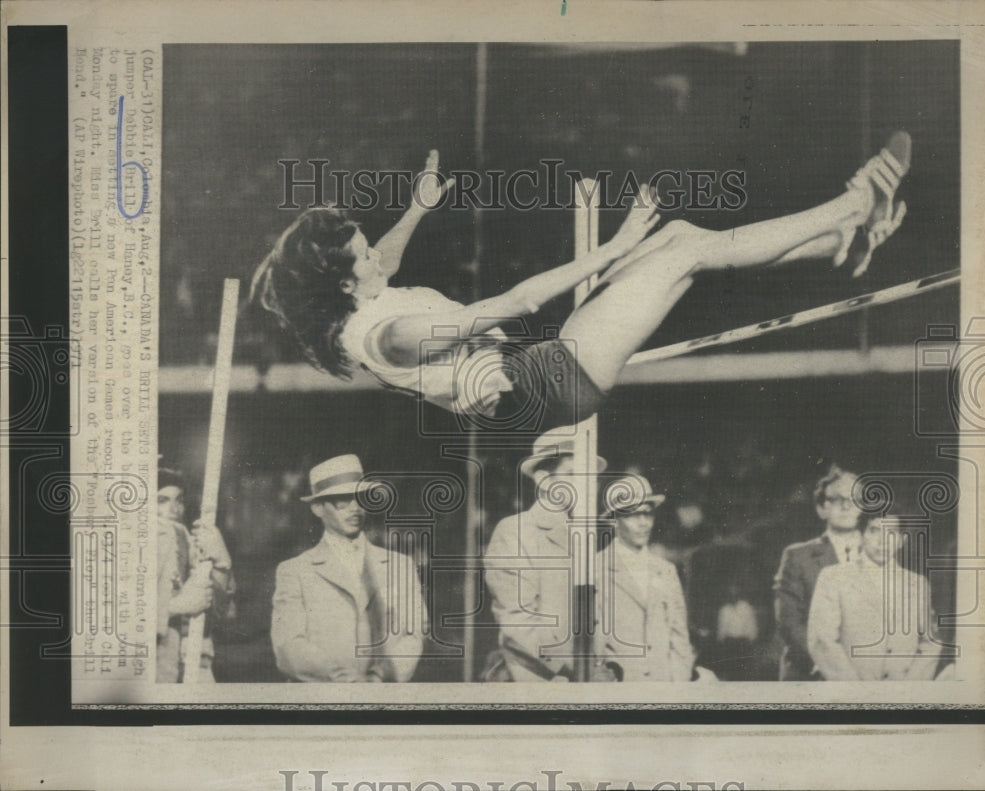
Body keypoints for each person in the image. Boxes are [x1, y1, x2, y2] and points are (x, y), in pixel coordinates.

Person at [254, 136, 912, 433]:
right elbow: (515, 302)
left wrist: (420, 207)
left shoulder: (360, 308)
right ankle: (852, 206)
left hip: (537, 372)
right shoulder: (394, 334)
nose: (376, 250)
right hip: (545, 384)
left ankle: (839, 243)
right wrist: (614, 247)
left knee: (682, 237)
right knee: (681, 253)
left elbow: (385, 265)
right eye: (362, 251)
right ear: (344, 281)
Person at [270, 454, 425, 682]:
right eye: (342, 500)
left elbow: (414, 634)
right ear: (318, 508)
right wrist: (342, 679)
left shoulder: (400, 565)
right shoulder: (295, 571)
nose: (355, 508)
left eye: (361, 497)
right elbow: (287, 646)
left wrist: (380, 677)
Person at [482, 427, 608, 681]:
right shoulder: (516, 531)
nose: (587, 486)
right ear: (544, 480)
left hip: (589, 683)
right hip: (538, 679)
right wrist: (578, 670)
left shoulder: (585, 535)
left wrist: (606, 666)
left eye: (591, 477)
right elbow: (518, 624)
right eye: (573, 475)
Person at [807, 516, 941, 680]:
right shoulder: (834, 577)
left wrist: (910, 689)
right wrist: (856, 692)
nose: (882, 541)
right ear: (861, 536)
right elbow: (822, 640)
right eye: (874, 531)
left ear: (901, 540)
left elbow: (931, 644)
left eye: (891, 532)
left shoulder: (918, 583)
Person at [595, 474, 696, 682]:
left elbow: (680, 640)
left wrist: (678, 687)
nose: (643, 523)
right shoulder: (596, 569)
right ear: (615, 521)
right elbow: (594, 646)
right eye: (633, 515)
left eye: (648, 514)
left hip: (665, 690)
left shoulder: (666, 570)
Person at [773, 465, 864, 681]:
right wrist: (831, 665)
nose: (845, 506)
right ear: (822, 509)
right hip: (812, 673)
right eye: (836, 499)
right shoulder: (798, 556)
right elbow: (790, 623)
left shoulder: (881, 554)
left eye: (853, 499)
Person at [156, 467, 236, 683]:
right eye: (161, 500)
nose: (174, 509)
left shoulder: (191, 543)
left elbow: (219, 611)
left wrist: (221, 563)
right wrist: (175, 607)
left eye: (179, 500)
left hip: (193, 661)